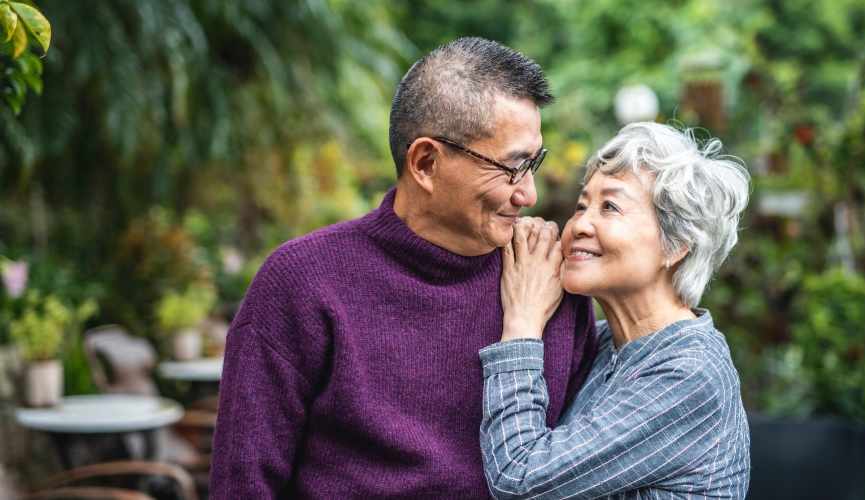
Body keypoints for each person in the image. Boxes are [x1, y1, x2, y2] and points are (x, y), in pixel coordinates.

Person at [210, 37, 599, 499]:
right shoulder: (302, 283)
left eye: (533, 162)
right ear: (426, 163)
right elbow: (244, 484)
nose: (529, 194)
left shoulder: (549, 279)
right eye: (512, 168)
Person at [480, 122, 752, 499]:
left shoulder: (690, 372)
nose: (579, 225)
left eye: (609, 206)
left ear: (676, 245)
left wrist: (522, 324)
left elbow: (520, 478)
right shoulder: (610, 344)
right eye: (581, 205)